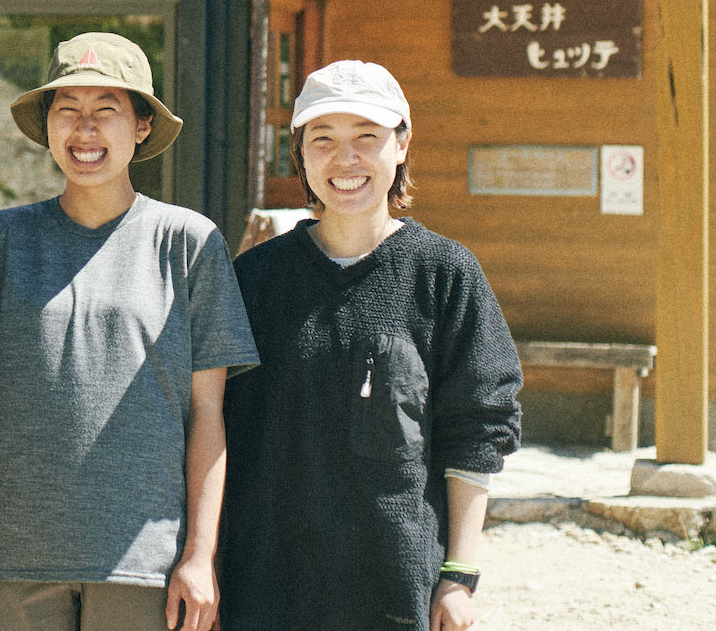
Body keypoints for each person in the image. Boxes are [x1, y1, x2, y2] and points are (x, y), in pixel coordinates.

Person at [0, 33, 259, 631]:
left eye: (106, 109)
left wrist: (199, 556)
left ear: (141, 126)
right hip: (14, 558)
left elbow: (208, 415)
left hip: (145, 564)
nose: (85, 129)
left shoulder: (189, 243)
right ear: (47, 126)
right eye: (68, 109)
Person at [222, 60, 522, 631]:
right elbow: (213, 426)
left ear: (402, 144)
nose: (346, 159)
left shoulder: (445, 274)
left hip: (395, 585)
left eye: (367, 137)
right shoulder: (255, 278)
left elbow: (479, 429)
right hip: (265, 583)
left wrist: (459, 576)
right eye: (323, 139)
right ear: (299, 154)